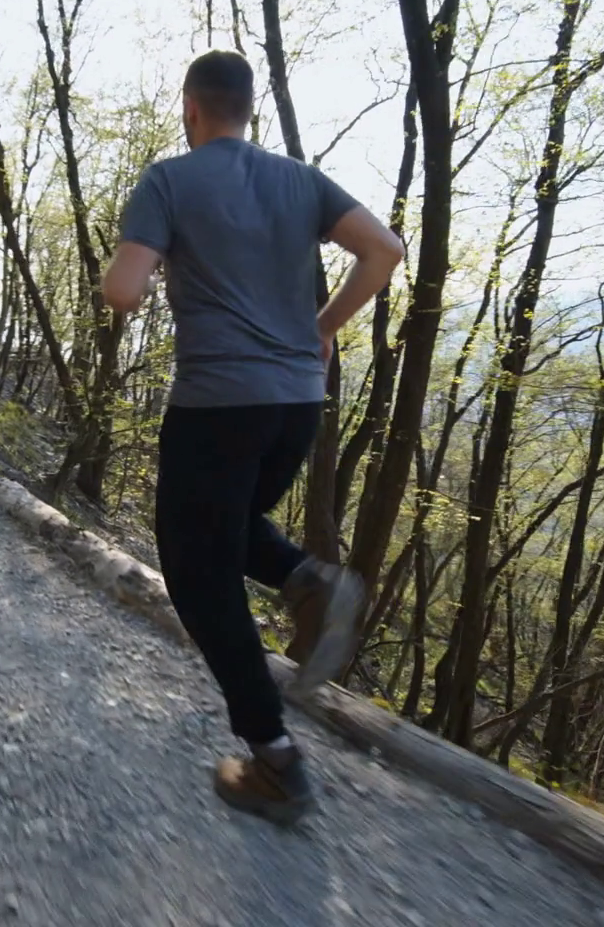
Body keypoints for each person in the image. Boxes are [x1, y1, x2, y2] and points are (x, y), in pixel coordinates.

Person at [101, 50, 405, 825]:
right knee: (229, 528)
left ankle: (274, 760)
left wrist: (133, 268)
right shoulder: (302, 180)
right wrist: (321, 329)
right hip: (296, 404)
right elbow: (385, 250)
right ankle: (310, 581)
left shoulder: (170, 180)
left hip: (218, 405)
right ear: (249, 108)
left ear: (190, 108)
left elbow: (124, 291)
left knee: (197, 571)